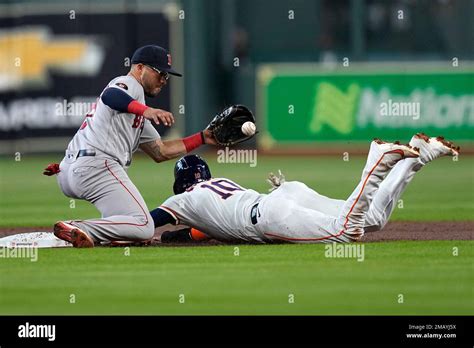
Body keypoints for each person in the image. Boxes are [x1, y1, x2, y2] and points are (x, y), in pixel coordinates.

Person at [151, 134, 459, 244]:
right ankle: (420, 154)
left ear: (181, 185)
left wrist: (152, 233)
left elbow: (147, 221)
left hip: (271, 216)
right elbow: (202, 230)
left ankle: (378, 161)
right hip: (285, 194)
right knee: (374, 218)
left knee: (347, 231)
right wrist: (175, 236)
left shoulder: (183, 201)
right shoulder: (218, 188)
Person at [50, 45, 217, 248]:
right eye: (160, 73)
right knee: (145, 225)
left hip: (71, 170)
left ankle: (91, 234)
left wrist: (202, 138)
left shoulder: (134, 111)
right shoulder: (130, 84)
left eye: (167, 76)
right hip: (97, 167)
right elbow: (111, 95)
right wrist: (146, 110)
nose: (164, 80)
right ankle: (79, 227)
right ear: (139, 68)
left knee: (127, 226)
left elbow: (161, 151)